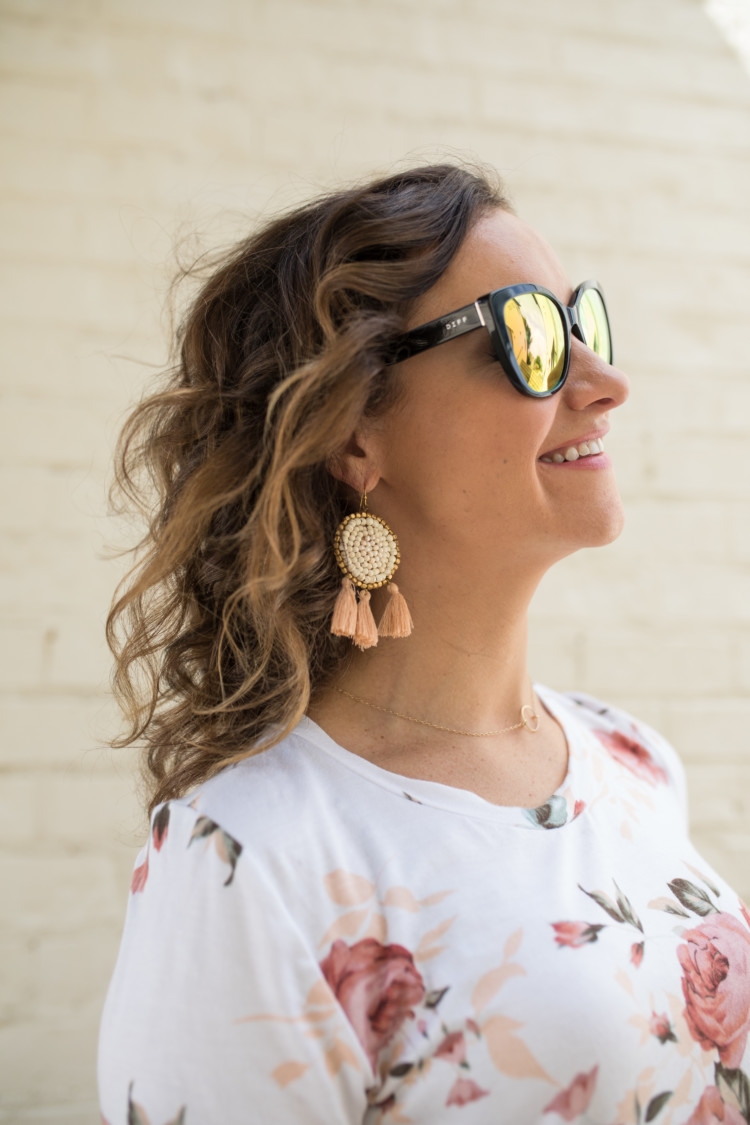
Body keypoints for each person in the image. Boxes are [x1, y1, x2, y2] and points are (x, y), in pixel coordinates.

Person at [98, 163, 750, 1125]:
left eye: (587, 326)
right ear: (356, 434)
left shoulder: (631, 758)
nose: (607, 383)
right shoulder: (248, 856)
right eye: (528, 337)